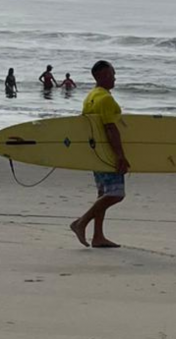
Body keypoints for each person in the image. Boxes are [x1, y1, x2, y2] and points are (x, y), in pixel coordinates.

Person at [70, 60, 130, 248]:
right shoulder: (106, 99)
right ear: (103, 76)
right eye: (112, 74)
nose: (115, 77)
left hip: (96, 153)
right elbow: (110, 128)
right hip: (108, 153)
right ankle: (81, 222)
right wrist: (120, 155)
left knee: (103, 194)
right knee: (116, 194)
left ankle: (98, 236)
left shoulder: (90, 97)